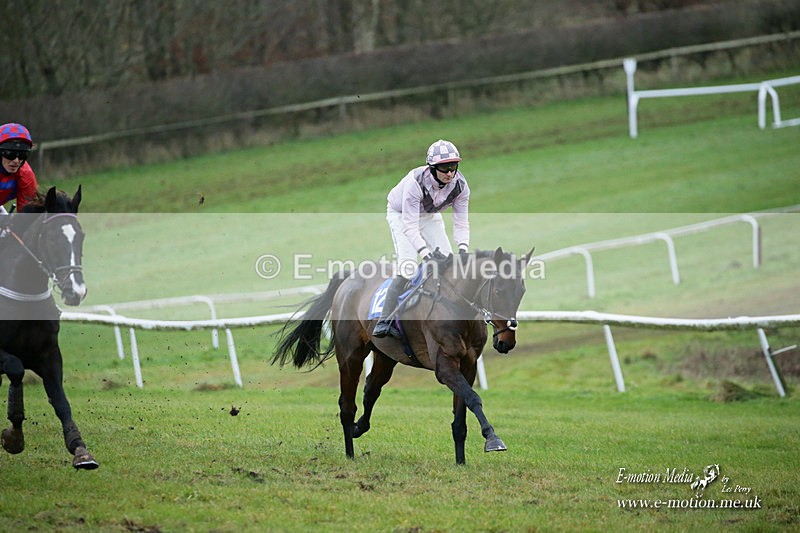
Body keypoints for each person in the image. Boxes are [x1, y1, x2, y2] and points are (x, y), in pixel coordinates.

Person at [373, 139, 470, 339]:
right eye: (444, 168)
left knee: (449, 262)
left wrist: (463, 249)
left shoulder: (460, 185)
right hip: (402, 215)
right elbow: (410, 226)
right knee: (408, 266)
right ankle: (384, 319)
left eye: (453, 167)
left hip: (429, 215)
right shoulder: (415, 182)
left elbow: (461, 222)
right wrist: (426, 255)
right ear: (432, 168)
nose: (449, 173)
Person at [0, 123, 38, 212]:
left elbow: (26, 214)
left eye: (22, 155)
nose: (16, 161)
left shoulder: (26, 174)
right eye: (10, 154)